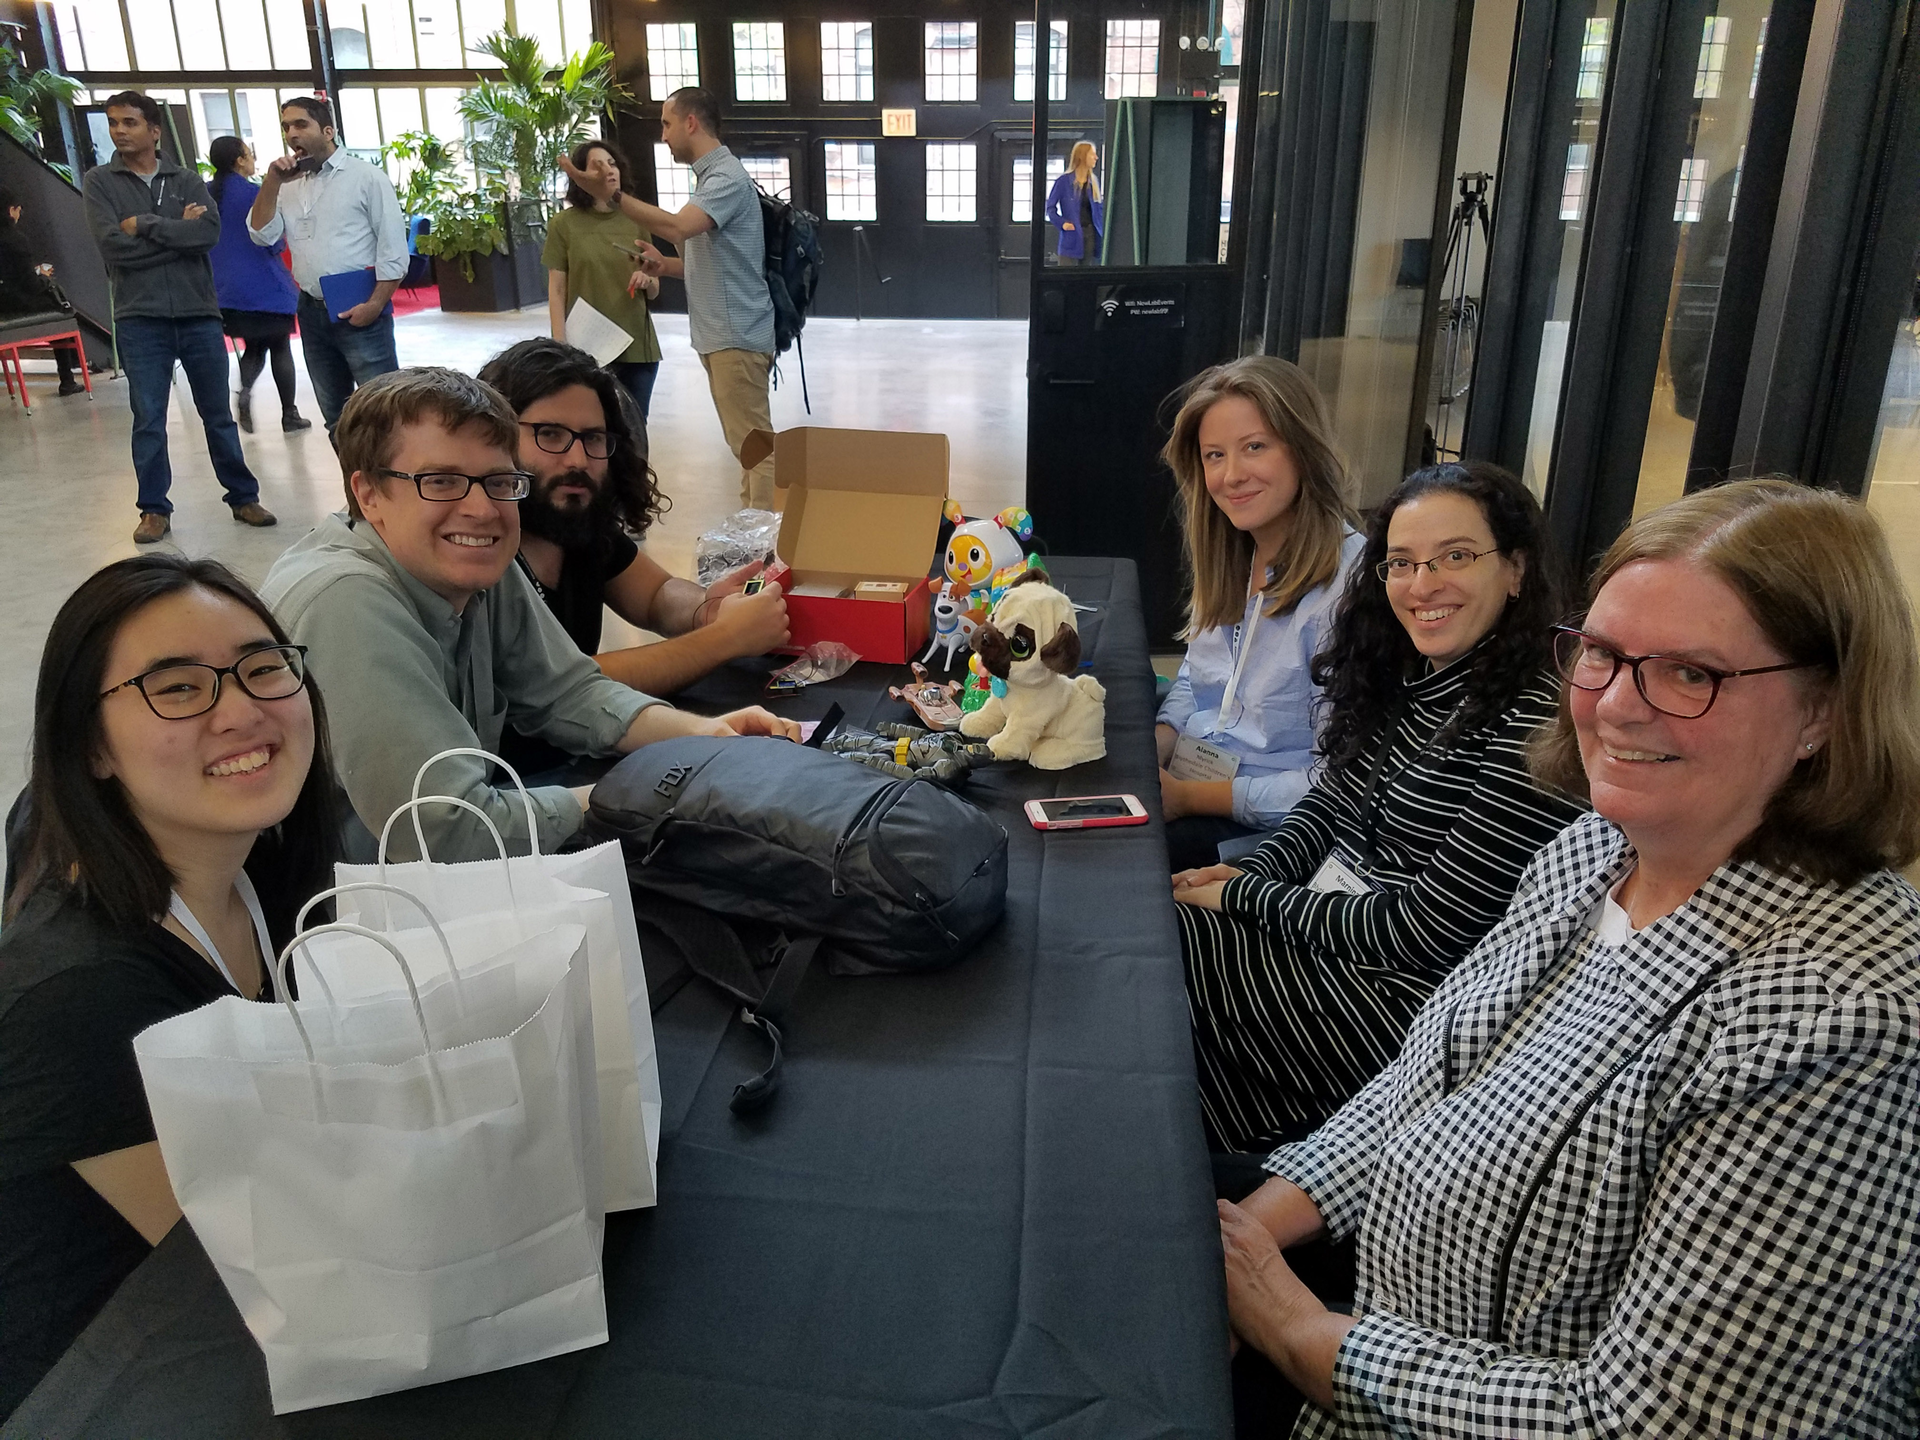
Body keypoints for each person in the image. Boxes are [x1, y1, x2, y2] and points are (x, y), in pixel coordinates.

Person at [1217, 479, 1920, 1437]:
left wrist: (1300, 1333)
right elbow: (1426, 1085)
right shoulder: (1590, 850)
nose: (1617, 709)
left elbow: (1647, 1423)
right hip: (1380, 1325)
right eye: (1602, 655)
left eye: (1689, 674)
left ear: (1825, 712)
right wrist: (1259, 1223)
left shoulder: (1842, 1023)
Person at [0, 554, 339, 1420]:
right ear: (90, 746)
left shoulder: (273, 856)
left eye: (263, 667)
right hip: (118, 1383)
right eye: (177, 689)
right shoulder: (80, 996)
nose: (242, 710)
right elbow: (251, 1276)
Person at [1173, 462, 1584, 1153]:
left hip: (1403, 1008)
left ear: (1516, 571)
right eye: (1402, 563)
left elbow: (1426, 934)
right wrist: (1250, 877)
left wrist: (1248, 901)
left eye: (1456, 557)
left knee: (1156, 951)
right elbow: (1326, 805)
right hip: (1328, 940)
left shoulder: (1532, 729)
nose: (1423, 585)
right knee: (1152, 942)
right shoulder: (1405, 678)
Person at [258, 366, 798, 863]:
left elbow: (569, 692)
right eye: (440, 481)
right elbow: (448, 831)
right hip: (361, 915)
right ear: (368, 494)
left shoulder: (472, 558)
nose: (481, 508)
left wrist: (702, 737)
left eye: (499, 482)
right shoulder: (347, 602)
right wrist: (648, 789)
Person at [476, 338, 790, 776]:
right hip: (520, 790)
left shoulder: (574, 521)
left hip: (589, 759)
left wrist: (706, 610)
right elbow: (571, 685)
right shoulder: (479, 554)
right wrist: (724, 639)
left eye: (594, 438)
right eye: (550, 434)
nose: (578, 459)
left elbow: (656, 594)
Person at [1155, 358, 1365, 872]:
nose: (1231, 476)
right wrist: (1155, 746)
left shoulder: (1354, 587)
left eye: (1255, 447)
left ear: (1303, 449)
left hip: (1269, 826)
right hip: (1191, 780)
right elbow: (1196, 676)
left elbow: (1339, 781)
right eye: (1214, 456)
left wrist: (1188, 798)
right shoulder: (1233, 551)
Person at [563, 87, 778, 509]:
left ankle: (765, 537)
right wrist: (665, 265)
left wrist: (612, 196)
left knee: (755, 446)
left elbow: (679, 228)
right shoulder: (712, 179)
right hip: (723, 336)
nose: (663, 135)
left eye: (666, 123)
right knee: (747, 446)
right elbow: (714, 260)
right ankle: (756, 529)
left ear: (691, 123)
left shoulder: (725, 178)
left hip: (736, 336)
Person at [81, 91, 273, 545]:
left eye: (129, 122)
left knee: (217, 416)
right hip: (139, 317)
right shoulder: (99, 182)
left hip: (198, 314)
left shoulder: (185, 178)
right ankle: (153, 510)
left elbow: (205, 234)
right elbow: (112, 248)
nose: (120, 131)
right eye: (114, 123)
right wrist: (174, 229)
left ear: (154, 130)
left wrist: (144, 224)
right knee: (148, 417)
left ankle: (243, 497)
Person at [246, 95, 407, 435]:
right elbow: (261, 234)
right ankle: (355, 486)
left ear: (328, 130)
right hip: (311, 308)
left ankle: (391, 486)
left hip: (361, 306)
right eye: (286, 127)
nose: (292, 134)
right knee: (335, 416)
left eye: (301, 124)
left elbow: (393, 250)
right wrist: (271, 182)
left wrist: (375, 305)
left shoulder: (366, 178)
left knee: (384, 411)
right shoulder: (286, 185)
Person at [544, 139, 663, 419]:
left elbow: (656, 287)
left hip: (637, 347)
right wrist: (560, 348)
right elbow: (557, 291)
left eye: (612, 163)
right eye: (596, 165)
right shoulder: (563, 225)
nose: (608, 170)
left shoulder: (637, 219)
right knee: (596, 430)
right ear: (580, 177)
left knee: (634, 432)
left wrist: (648, 280)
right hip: (588, 348)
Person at [205, 136, 310, 435]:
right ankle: (289, 414)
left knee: (254, 345)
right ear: (240, 160)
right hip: (265, 285)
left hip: (224, 289)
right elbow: (272, 238)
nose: (252, 159)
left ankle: (245, 389)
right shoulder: (257, 193)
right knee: (279, 346)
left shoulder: (205, 193)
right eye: (249, 154)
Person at [0, 184, 83, 395]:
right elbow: (29, 285)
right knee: (61, 306)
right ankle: (67, 379)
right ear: (11, 210)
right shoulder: (16, 239)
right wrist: (42, 277)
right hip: (16, 303)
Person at [1044, 142, 1102, 265]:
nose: (1096, 158)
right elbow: (1050, 208)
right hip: (1072, 236)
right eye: (1092, 154)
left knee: (1086, 279)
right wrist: (1062, 224)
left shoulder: (1094, 183)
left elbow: (1099, 211)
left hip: (1090, 236)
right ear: (1082, 156)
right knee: (1066, 277)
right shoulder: (1063, 182)